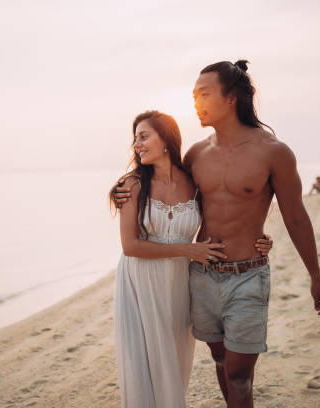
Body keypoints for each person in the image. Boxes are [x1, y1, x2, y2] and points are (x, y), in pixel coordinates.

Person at [114, 60, 320, 408]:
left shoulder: (274, 152)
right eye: (193, 96)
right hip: (201, 277)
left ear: (231, 98)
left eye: (204, 94)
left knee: (239, 376)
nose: (196, 102)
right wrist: (121, 190)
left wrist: (315, 276)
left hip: (248, 275)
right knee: (220, 363)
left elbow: (296, 216)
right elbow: (170, 196)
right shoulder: (196, 154)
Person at [110, 110, 273, 408]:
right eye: (135, 139)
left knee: (173, 360)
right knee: (143, 364)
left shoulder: (191, 181)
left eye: (144, 136)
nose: (137, 144)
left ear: (167, 139)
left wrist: (258, 239)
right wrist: (190, 251)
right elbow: (130, 246)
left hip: (179, 285)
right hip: (140, 283)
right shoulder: (132, 186)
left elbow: (228, 212)